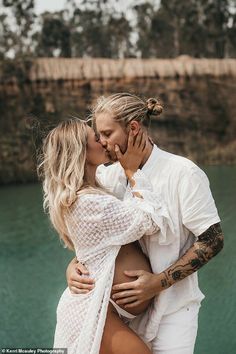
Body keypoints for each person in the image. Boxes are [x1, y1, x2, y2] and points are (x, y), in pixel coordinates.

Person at [67, 93, 224, 354]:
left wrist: (157, 283)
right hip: (120, 313)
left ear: (133, 129)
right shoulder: (108, 175)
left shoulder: (182, 172)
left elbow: (213, 240)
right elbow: (94, 236)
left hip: (174, 313)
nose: (101, 142)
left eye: (106, 133)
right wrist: (73, 266)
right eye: (98, 135)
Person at [38, 117, 174, 354]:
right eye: (95, 138)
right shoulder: (89, 202)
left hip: (103, 307)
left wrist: (72, 265)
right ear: (80, 151)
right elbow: (151, 221)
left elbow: (93, 250)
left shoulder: (92, 192)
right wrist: (132, 171)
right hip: (94, 308)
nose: (102, 141)